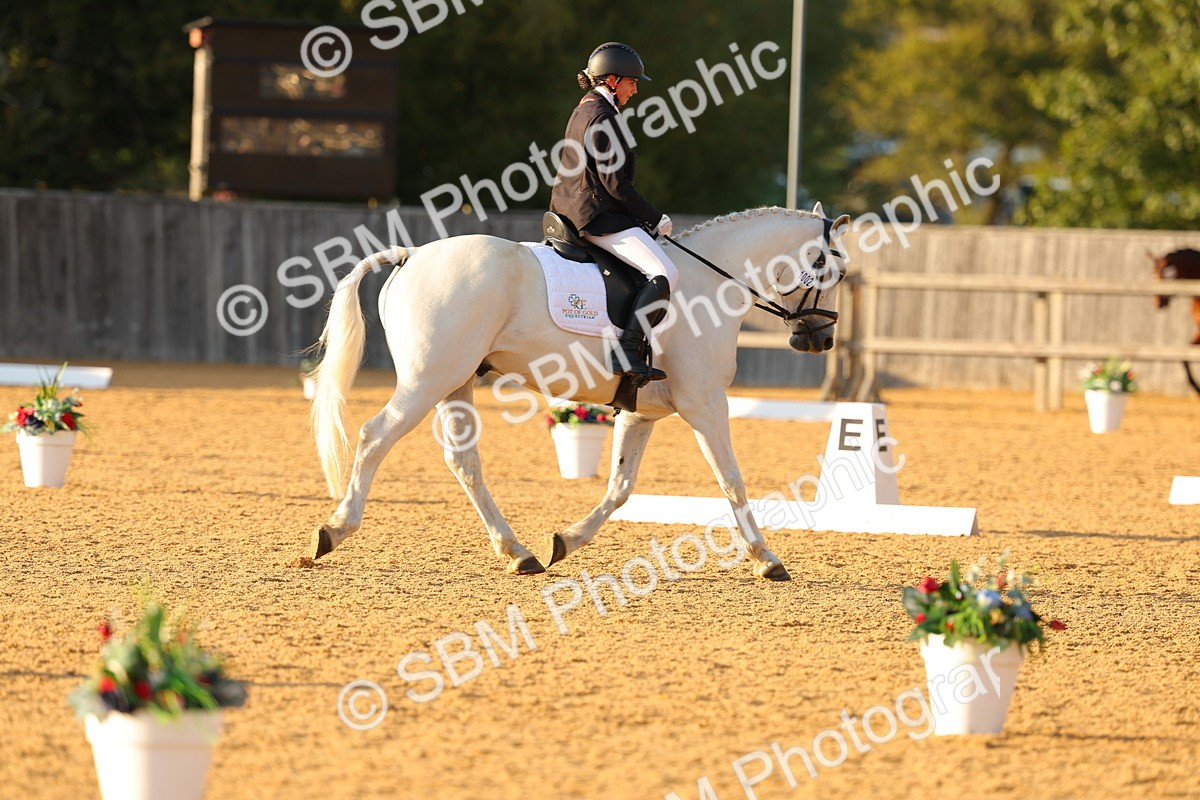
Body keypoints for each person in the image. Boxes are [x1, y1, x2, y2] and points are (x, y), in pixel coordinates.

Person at [550, 42, 678, 386]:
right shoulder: (602, 116)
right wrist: (653, 217)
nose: (635, 89)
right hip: (596, 214)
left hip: (574, 207)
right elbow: (615, 186)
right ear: (612, 80)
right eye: (632, 82)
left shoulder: (586, 108)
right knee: (664, 271)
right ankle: (628, 350)